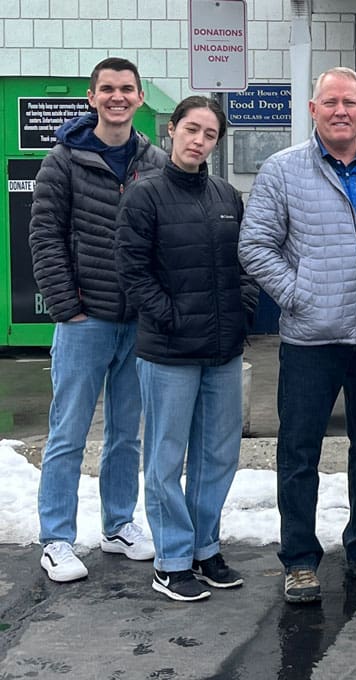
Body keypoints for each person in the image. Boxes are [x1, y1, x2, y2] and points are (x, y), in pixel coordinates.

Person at [239, 67, 356, 604]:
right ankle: (299, 560)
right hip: (309, 342)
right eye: (330, 102)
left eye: (350, 102)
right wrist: (299, 295)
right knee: (299, 453)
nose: (340, 110)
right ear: (313, 110)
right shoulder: (282, 171)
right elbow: (255, 247)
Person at [29, 57, 166, 583]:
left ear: (138, 98)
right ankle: (56, 538)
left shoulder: (153, 162)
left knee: (126, 433)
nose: (117, 97)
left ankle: (118, 525)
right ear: (92, 98)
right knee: (68, 432)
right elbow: (43, 238)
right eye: (107, 89)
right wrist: (69, 306)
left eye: (126, 89)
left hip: (138, 324)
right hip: (85, 321)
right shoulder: (63, 160)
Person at [116, 97, 257, 602]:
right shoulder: (145, 196)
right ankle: (172, 558)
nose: (199, 140)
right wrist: (170, 317)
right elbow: (132, 272)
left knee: (217, 457)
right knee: (165, 457)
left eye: (210, 134)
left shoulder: (225, 194)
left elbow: (244, 265)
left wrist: (243, 308)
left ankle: (205, 548)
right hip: (168, 352)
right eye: (191, 129)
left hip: (222, 351)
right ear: (171, 130)